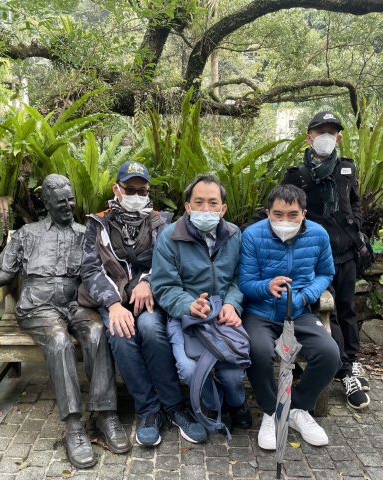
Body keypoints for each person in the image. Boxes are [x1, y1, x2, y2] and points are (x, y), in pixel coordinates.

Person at [0, 174, 129, 469]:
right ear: (46, 203)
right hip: (38, 305)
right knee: (59, 341)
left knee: (97, 331)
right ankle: (73, 425)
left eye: (71, 200)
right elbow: (8, 271)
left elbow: (101, 271)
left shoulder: (86, 233)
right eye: (60, 202)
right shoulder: (27, 234)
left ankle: (106, 415)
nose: (68, 206)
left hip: (77, 302)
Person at [243, 111, 370, 410]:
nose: (326, 137)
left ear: (339, 137)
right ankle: (341, 370)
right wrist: (245, 231)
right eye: (320, 131)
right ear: (309, 137)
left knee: (347, 309)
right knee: (330, 312)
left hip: (344, 251)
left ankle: (349, 366)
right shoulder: (297, 175)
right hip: (310, 252)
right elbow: (280, 205)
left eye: (331, 132)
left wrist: (356, 224)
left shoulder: (347, 168)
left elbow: (354, 200)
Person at [80, 161, 207, 447]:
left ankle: (174, 405)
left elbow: (170, 260)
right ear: (117, 189)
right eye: (130, 189)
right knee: (121, 333)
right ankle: (149, 409)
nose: (136, 195)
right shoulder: (97, 224)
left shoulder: (162, 222)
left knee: (150, 327)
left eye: (142, 190)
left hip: (150, 296)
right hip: (114, 299)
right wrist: (113, 304)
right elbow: (90, 269)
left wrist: (148, 282)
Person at [239, 184, 341, 449]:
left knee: (329, 353)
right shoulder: (251, 235)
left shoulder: (318, 234)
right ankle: (271, 411)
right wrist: (266, 287)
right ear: (267, 213)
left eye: (293, 214)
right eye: (278, 214)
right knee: (258, 351)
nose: (285, 221)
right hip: (259, 312)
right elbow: (244, 282)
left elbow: (326, 273)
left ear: (303, 213)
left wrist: (306, 296)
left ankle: (297, 408)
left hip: (299, 312)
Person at [152, 174, 253, 433]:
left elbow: (241, 278)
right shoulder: (169, 237)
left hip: (223, 315)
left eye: (212, 203)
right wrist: (189, 305)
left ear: (223, 209)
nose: (205, 209)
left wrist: (232, 304)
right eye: (198, 202)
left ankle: (236, 402)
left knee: (233, 371)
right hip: (186, 317)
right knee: (189, 369)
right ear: (187, 207)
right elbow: (164, 285)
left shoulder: (234, 235)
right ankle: (214, 403)